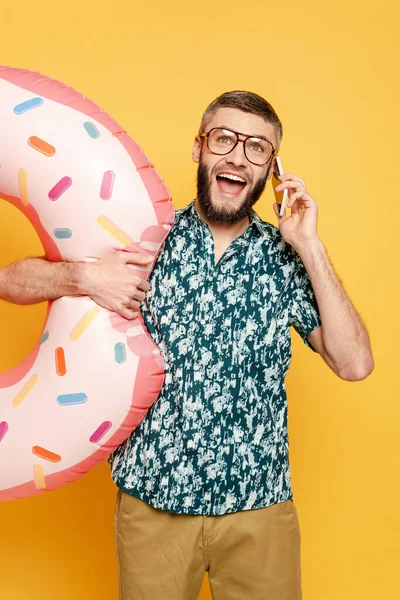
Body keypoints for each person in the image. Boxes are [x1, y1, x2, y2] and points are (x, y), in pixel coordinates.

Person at [0, 91, 374, 600]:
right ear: (199, 149)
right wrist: (86, 278)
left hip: (258, 512)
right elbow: (12, 282)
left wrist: (310, 245)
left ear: (272, 169)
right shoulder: (143, 238)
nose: (238, 156)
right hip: (152, 509)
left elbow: (354, 364)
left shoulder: (286, 258)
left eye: (258, 148)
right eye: (225, 139)